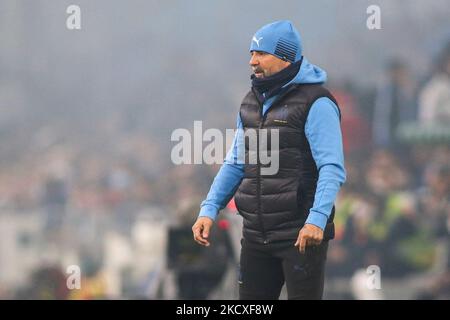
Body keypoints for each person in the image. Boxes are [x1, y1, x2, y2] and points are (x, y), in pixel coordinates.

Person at [192, 20, 346, 300]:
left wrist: (317, 220)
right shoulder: (251, 103)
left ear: (286, 57)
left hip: (300, 234)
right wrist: (209, 208)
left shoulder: (317, 103)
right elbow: (236, 162)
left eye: (261, 53)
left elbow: (331, 168)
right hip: (255, 235)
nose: (252, 61)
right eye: (251, 53)